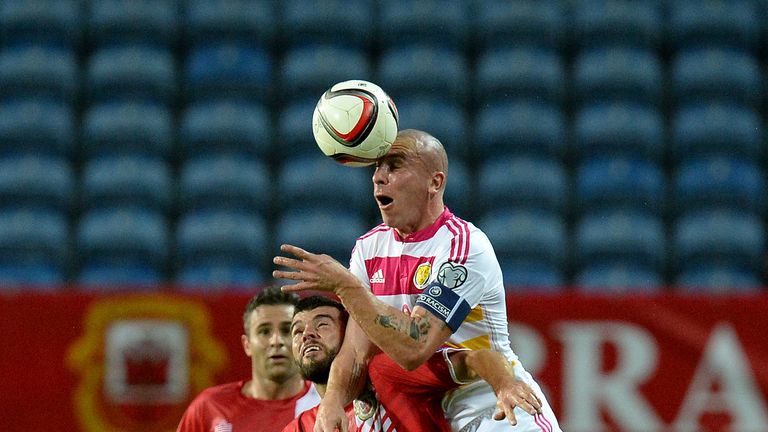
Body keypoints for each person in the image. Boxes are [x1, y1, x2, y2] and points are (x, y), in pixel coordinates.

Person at [273, 129, 561, 432]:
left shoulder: (462, 246)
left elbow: (415, 347)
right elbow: (356, 352)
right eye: (377, 167)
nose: (378, 177)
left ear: (434, 182)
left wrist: (346, 286)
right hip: (435, 416)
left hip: (497, 406)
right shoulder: (368, 248)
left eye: (395, 166)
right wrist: (332, 402)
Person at [283, 296, 543, 432]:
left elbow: (477, 357)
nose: (307, 335)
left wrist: (504, 384)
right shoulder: (302, 427)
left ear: (350, 335)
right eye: (297, 331)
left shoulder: (390, 374)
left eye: (322, 324)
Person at [177, 287, 320, 432]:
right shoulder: (208, 407)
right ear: (247, 345)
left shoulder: (323, 408)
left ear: (302, 340)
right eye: (264, 331)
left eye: (287, 330)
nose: (276, 341)